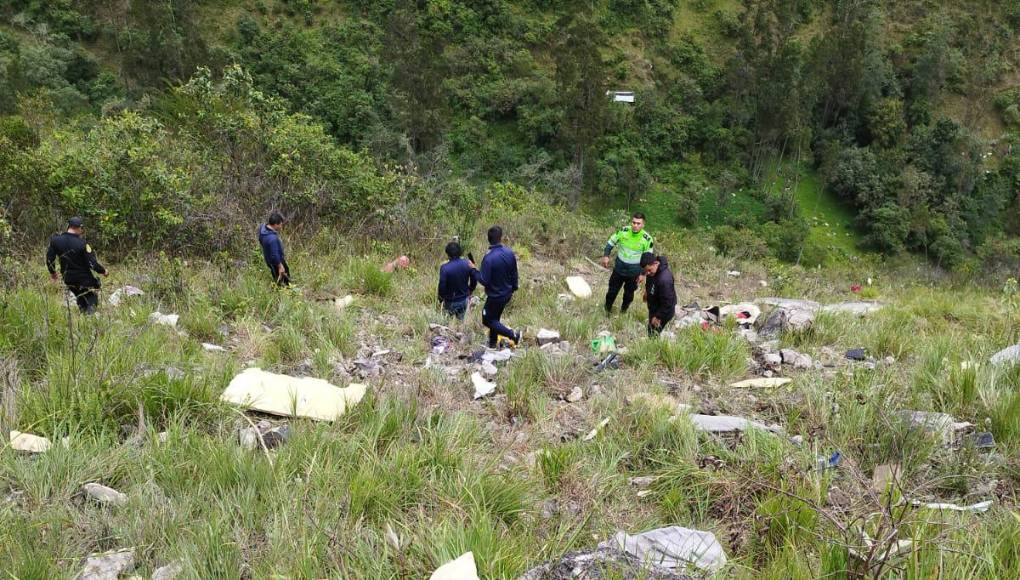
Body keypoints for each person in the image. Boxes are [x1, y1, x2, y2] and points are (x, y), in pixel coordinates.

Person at [46, 216, 108, 314]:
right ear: (80, 228)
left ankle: (83, 316)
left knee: (80, 295)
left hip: (68, 278)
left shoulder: (55, 241)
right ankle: (90, 317)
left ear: (69, 226)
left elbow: (50, 259)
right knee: (91, 297)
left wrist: (53, 273)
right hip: (84, 279)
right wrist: (103, 271)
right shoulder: (82, 244)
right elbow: (92, 264)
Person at [473, 226, 521, 348]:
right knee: (495, 318)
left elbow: (483, 280)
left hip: (495, 296)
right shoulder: (509, 253)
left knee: (487, 320)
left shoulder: (488, 258)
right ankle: (493, 342)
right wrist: (514, 287)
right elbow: (514, 273)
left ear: (488, 239)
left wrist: (474, 271)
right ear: (501, 237)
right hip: (507, 293)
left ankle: (512, 335)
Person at [601, 212, 654, 315]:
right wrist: (606, 255)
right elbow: (610, 242)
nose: (635, 225)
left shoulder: (647, 239)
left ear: (643, 224)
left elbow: (648, 259)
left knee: (629, 295)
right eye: (633, 222)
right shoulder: (623, 231)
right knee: (612, 291)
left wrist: (643, 274)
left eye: (638, 223)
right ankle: (607, 310)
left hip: (634, 273)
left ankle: (623, 312)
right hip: (619, 269)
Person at [437, 241, 477, 321]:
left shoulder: (444, 268)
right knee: (461, 323)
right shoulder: (467, 263)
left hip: (449, 301)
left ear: (448, 254)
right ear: (460, 252)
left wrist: (440, 299)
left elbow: (442, 286)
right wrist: (471, 289)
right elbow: (474, 278)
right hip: (464, 299)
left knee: (447, 323)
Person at [640, 252, 677, 336]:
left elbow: (668, 303)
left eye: (649, 270)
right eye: (646, 271)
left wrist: (658, 317)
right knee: (651, 328)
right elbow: (650, 281)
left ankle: (654, 342)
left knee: (653, 333)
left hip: (663, 312)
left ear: (655, 263)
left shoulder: (664, 280)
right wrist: (647, 292)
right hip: (655, 306)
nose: (647, 273)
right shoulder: (653, 271)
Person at [258, 212, 290, 286]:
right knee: (283, 278)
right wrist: (280, 266)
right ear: (275, 224)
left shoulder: (263, 229)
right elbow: (274, 255)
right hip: (276, 261)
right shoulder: (272, 239)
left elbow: (260, 240)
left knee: (277, 275)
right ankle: (286, 290)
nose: (281, 226)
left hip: (268, 259)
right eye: (280, 224)